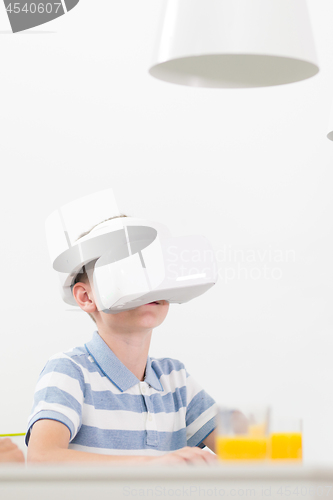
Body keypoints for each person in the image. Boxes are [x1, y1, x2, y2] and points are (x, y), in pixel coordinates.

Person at [26, 215, 218, 465]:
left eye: (154, 271)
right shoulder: (70, 371)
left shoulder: (175, 379)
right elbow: (41, 458)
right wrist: (151, 467)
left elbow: (248, 448)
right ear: (86, 297)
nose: (148, 287)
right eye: (128, 273)